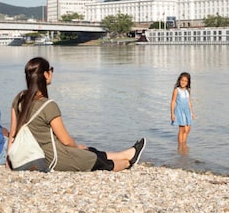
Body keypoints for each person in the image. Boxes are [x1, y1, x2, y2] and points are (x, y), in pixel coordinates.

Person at [9, 57, 145, 172]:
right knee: (94, 160)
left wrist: (10, 159)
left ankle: (126, 154)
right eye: (51, 70)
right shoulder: (48, 105)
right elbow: (66, 141)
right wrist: (76, 147)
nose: (51, 73)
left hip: (29, 156)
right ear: (45, 74)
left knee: (89, 150)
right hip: (53, 159)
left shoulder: (19, 99)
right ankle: (127, 162)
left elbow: (13, 133)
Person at [170, 72, 195, 150]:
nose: (183, 82)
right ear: (179, 80)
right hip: (179, 111)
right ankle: (180, 146)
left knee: (188, 129)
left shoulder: (187, 91)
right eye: (182, 80)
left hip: (187, 111)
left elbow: (189, 102)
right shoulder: (176, 90)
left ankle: (184, 143)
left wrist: (192, 113)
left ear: (188, 83)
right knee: (182, 129)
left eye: (185, 81)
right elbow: (173, 101)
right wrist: (172, 114)